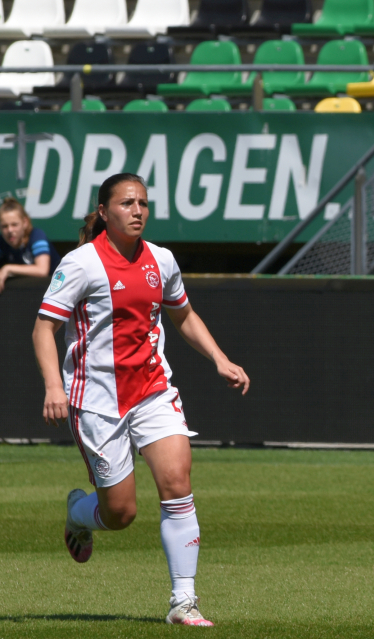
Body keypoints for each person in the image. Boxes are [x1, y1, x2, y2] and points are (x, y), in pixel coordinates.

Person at [32, 173, 250, 627]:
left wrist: (220, 358)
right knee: (121, 514)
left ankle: (182, 602)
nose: (138, 211)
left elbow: (183, 313)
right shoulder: (81, 264)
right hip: (96, 400)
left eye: (144, 203)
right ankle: (78, 512)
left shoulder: (162, 260)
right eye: (128, 203)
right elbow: (43, 328)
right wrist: (54, 386)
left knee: (177, 483)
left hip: (152, 390)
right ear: (104, 212)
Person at [0, 197, 61, 293]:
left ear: (25, 222)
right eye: (4, 226)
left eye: (14, 224)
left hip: (55, 292)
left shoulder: (36, 236)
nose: (10, 230)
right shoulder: (2, 242)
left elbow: (42, 270)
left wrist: (7, 269)